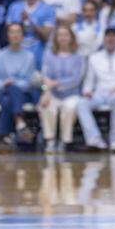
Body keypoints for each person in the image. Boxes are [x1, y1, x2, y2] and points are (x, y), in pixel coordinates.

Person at [76, 26, 115, 151]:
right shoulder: (94, 57)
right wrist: (87, 91)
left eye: (113, 36)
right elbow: (89, 80)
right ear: (104, 38)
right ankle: (94, 138)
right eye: (108, 36)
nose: (110, 39)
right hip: (99, 93)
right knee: (81, 103)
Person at [38, 24, 85, 152]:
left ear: (71, 38)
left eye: (65, 35)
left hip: (72, 94)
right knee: (46, 106)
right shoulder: (48, 55)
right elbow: (44, 78)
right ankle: (50, 140)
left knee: (69, 108)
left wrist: (56, 83)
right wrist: (45, 91)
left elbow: (76, 80)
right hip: (51, 93)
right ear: (55, 38)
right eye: (60, 35)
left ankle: (64, 141)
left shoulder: (78, 57)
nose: (62, 38)